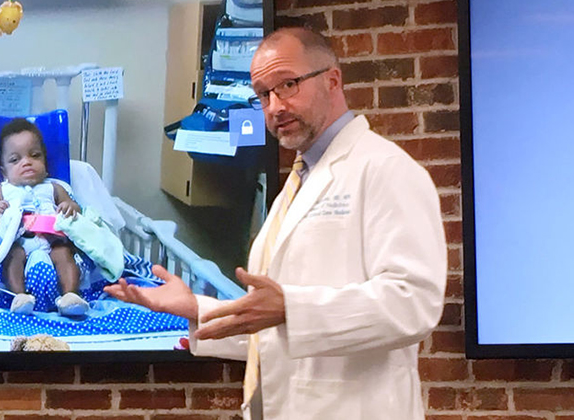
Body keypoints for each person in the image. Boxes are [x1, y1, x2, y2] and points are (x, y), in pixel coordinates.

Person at [105, 26, 446, 420]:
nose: (274, 107)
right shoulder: (298, 183)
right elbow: (271, 328)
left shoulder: (385, 169)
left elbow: (414, 304)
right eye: (263, 95)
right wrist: (198, 309)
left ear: (332, 80)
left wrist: (291, 309)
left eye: (288, 85)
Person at [0, 118, 90, 317]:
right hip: (18, 241)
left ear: (45, 164)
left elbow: (77, 209)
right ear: (4, 171)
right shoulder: (2, 190)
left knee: (64, 254)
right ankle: (20, 297)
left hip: (52, 240)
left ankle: (71, 296)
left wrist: (68, 206)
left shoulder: (54, 187)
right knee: (12, 257)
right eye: (15, 160)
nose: (26, 162)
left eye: (34, 155)